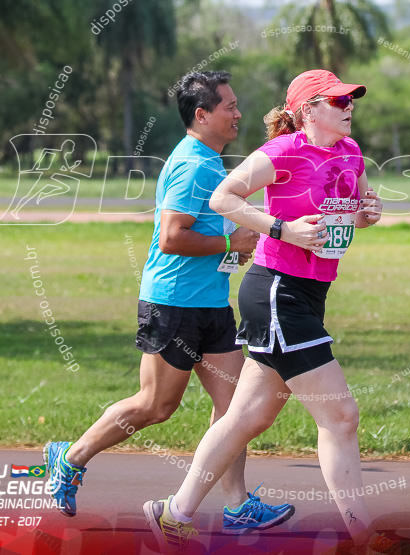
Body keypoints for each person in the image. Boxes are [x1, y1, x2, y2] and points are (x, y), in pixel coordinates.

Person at [143, 69, 387, 550]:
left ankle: (174, 513)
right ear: (308, 110)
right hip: (277, 290)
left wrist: (367, 211)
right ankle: (365, 537)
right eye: (337, 100)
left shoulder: (351, 153)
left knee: (246, 417)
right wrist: (282, 230)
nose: (349, 104)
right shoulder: (283, 151)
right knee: (340, 417)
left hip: (310, 293)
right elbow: (223, 197)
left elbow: (351, 209)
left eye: (350, 98)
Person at [42, 71, 294, 533]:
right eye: (229, 107)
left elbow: (208, 229)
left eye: (237, 105)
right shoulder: (194, 165)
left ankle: (238, 506)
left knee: (236, 408)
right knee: (156, 406)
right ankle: (71, 456)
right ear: (202, 115)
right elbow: (173, 237)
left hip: (212, 305)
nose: (239, 114)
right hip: (173, 303)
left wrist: (235, 243)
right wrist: (231, 242)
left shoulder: (211, 162)